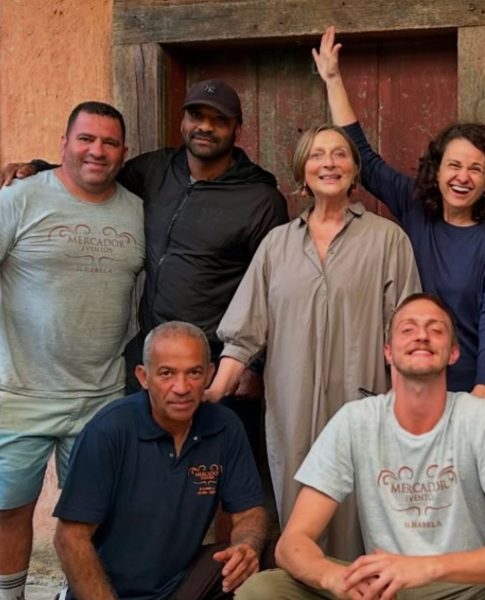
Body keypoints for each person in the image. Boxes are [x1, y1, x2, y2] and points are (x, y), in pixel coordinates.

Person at [1, 79, 289, 463]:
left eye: (219, 120)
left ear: (237, 129)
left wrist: (254, 365)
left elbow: (274, 290)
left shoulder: (260, 200)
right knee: (146, 473)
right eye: (196, 115)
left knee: (215, 477)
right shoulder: (155, 169)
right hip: (150, 363)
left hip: (218, 366)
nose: (205, 126)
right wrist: (37, 169)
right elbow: (95, 171)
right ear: (183, 121)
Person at [234, 293, 485, 600]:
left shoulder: (481, 417)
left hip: (466, 588)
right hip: (384, 590)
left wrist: (428, 567)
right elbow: (292, 544)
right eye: (408, 329)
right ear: (388, 351)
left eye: (436, 330)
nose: (422, 335)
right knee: (263, 590)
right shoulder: (356, 420)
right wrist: (335, 579)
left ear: (454, 353)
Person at [206, 124, 420, 560]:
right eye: (318, 155)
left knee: (362, 521)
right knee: (300, 518)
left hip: (364, 407)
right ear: (302, 170)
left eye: (340, 154)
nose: (329, 163)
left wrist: (407, 416)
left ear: (354, 169)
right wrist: (211, 393)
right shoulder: (277, 245)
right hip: (292, 410)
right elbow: (244, 333)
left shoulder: (387, 239)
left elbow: (405, 337)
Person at [313, 26, 485, 398]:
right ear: (437, 171)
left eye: (475, 169)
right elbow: (365, 161)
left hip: (471, 387)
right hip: (410, 384)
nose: (462, 177)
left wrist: (484, 390)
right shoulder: (416, 207)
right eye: (454, 165)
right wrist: (332, 79)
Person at [0, 101, 144, 600]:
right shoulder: (19, 198)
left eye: (109, 142)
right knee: (8, 509)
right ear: (63, 143)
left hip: (100, 396)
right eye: (86, 139)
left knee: (93, 515)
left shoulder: (137, 210)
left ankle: (74, 594)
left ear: (124, 152)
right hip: (19, 392)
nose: (96, 151)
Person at [54, 321, 268, 600]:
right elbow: (70, 538)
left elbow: (249, 513)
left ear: (209, 374)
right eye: (167, 373)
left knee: (275, 560)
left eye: (194, 373)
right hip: (114, 592)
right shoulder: (110, 430)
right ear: (144, 377)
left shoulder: (224, 426)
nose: (182, 387)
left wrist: (246, 546)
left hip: (180, 583)